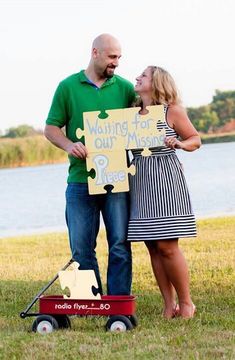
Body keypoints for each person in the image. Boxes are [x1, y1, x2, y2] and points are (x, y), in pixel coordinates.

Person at [44, 34, 136, 295]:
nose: (116, 63)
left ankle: (118, 303)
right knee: (81, 247)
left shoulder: (126, 88)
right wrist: (69, 145)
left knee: (119, 243)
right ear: (95, 53)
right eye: (111, 57)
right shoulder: (67, 87)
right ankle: (87, 301)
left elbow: (144, 124)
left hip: (116, 180)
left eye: (119, 57)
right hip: (79, 181)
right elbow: (51, 128)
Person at [127, 66, 201, 318]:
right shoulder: (130, 114)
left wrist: (179, 143)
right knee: (152, 245)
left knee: (167, 245)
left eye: (143, 75)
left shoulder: (172, 111)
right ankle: (169, 305)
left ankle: (187, 302)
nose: (137, 78)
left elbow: (195, 139)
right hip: (140, 180)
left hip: (166, 179)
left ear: (156, 82)